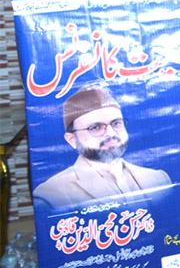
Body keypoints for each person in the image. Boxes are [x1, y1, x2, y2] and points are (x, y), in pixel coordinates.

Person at [32, 85, 172, 212]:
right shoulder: (51, 196)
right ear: (72, 140)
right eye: (95, 127)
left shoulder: (159, 179)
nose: (111, 133)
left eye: (116, 123)